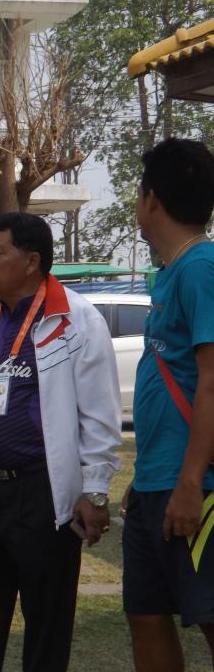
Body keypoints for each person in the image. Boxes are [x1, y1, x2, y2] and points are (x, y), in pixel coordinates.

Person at [0, 212, 121, 672]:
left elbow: (99, 413)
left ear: (31, 261)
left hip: (42, 495)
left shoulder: (76, 318)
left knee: (46, 623)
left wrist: (95, 491)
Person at [123, 138, 214, 671]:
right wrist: (147, 479)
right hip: (156, 481)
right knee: (146, 614)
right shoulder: (172, 271)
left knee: (210, 615)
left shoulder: (202, 267)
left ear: (151, 198)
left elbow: (212, 381)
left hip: (194, 485)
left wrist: (190, 481)